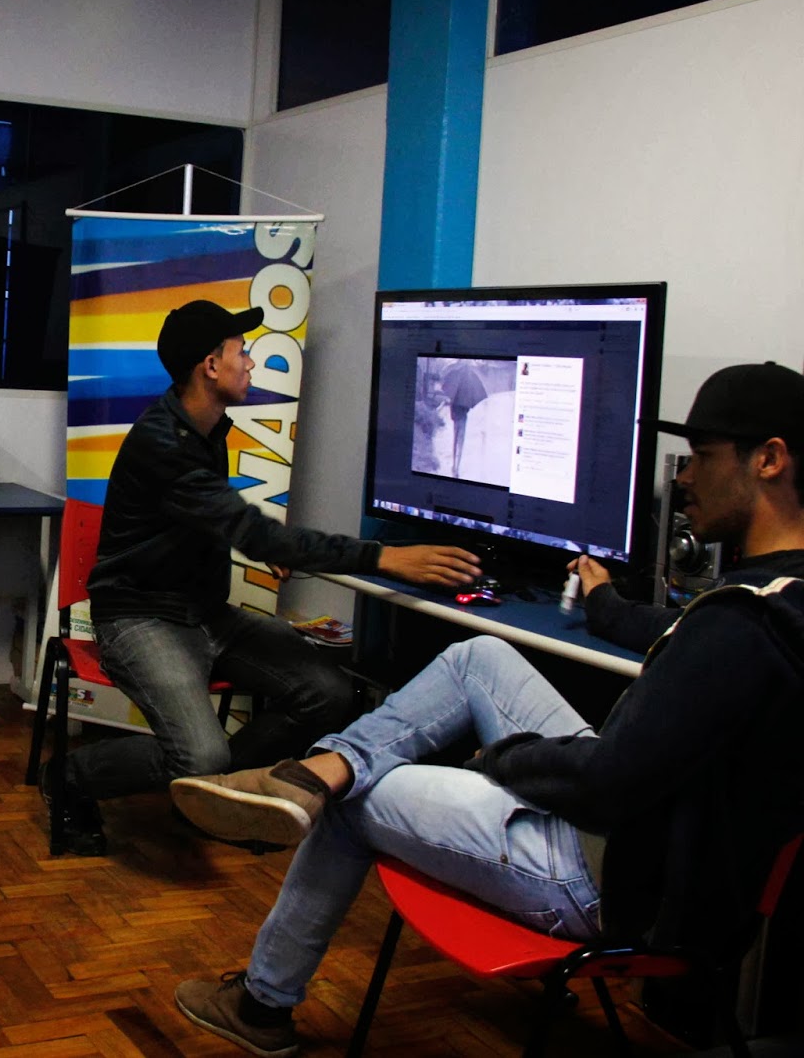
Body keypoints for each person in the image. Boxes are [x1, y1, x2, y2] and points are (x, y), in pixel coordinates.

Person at [166, 361, 804, 1057]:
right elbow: (670, 639)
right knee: (480, 656)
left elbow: (606, 782)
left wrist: (503, 760)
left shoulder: (739, 627)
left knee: (361, 794)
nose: (684, 478)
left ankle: (262, 1003)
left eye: (703, 456)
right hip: (648, 845)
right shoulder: (776, 599)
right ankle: (322, 770)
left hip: (608, 875)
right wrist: (602, 600)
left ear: (769, 459)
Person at [48, 300, 481, 854]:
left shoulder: (204, 428)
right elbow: (241, 523)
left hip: (206, 615)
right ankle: (72, 777)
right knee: (199, 755)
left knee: (329, 694)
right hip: (141, 619)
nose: (251, 362)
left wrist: (254, 542)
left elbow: (198, 517)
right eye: (242, 351)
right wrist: (382, 557)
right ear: (211, 365)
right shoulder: (164, 442)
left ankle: (216, 795)